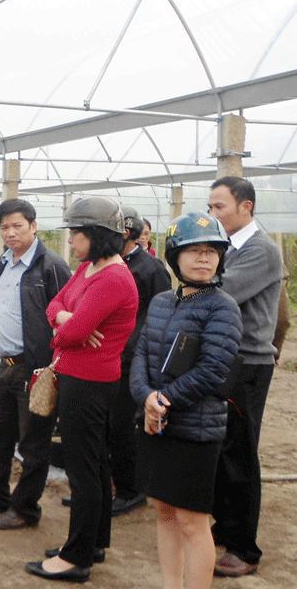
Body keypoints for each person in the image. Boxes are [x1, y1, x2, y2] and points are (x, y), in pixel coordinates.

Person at [26, 196, 137, 583]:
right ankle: (94, 542)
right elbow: (54, 306)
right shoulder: (90, 268)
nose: (70, 240)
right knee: (95, 463)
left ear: (97, 235)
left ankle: (76, 558)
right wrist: (68, 319)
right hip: (80, 377)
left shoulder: (113, 279)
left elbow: (67, 335)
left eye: (76, 233)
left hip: (90, 383)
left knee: (84, 469)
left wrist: (66, 328)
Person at [131, 212, 242, 589]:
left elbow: (214, 369)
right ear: (174, 256)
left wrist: (163, 399)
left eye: (212, 251)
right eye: (193, 250)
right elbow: (141, 356)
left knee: (193, 520)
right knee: (164, 511)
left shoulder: (222, 306)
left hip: (196, 428)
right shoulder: (162, 302)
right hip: (157, 422)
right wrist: (146, 396)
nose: (204, 258)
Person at [0, 199, 71, 530]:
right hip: (3, 366)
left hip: (34, 367)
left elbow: (65, 314)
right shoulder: (3, 263)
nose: (10, 232)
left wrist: (51, 367)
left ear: (34, 226)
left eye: (17, 225)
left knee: (34, 441)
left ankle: (25, 509)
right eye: (4, 227)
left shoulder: (51, 265)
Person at [207, 176, 283, 577]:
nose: (213, 214)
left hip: (248, 364)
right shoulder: (232, 248)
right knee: (221, 447)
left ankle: (243, 549)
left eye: (219, 207)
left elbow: (221, 292)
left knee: (239, 453)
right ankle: (225, 525)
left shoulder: (261, 250)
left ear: (246, 207)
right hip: (227, 359)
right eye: (211, 207)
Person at [109, 207, 171, 516]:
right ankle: (113, 486)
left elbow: (159, 315)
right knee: (108, 424)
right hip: (109, 355)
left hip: (131, 358)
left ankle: (130, 491)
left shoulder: (150, 268)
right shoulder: (107, 265)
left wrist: (138, 350)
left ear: (126, 234)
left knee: (121, 425)